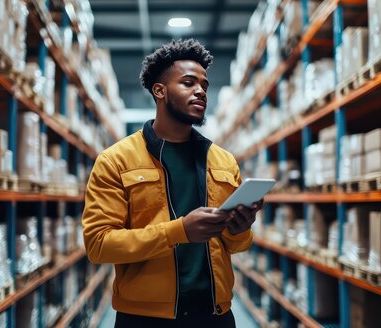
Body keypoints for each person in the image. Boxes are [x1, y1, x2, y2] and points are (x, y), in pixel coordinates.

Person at [82, 39, 262, 328]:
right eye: (189, 83)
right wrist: (179, 231)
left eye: (204, 84)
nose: (201, 91)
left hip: (215, 315)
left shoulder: (224, 161)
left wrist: (239, 230)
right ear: (160, 91)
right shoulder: (115, 160)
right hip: (144, 319)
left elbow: (236, 245)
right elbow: (99, 244)